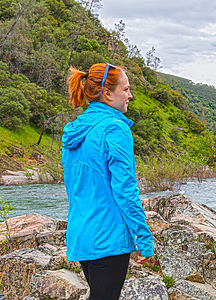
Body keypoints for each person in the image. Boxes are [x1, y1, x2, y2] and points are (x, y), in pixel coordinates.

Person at [62, 63, 154, 299]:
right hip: (107, 236)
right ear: (108, 93)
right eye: (126, 89)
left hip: (81, 234)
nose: (130, 95)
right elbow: (125, 189)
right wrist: (143, 237)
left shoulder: (75, 132)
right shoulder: (114, 129)